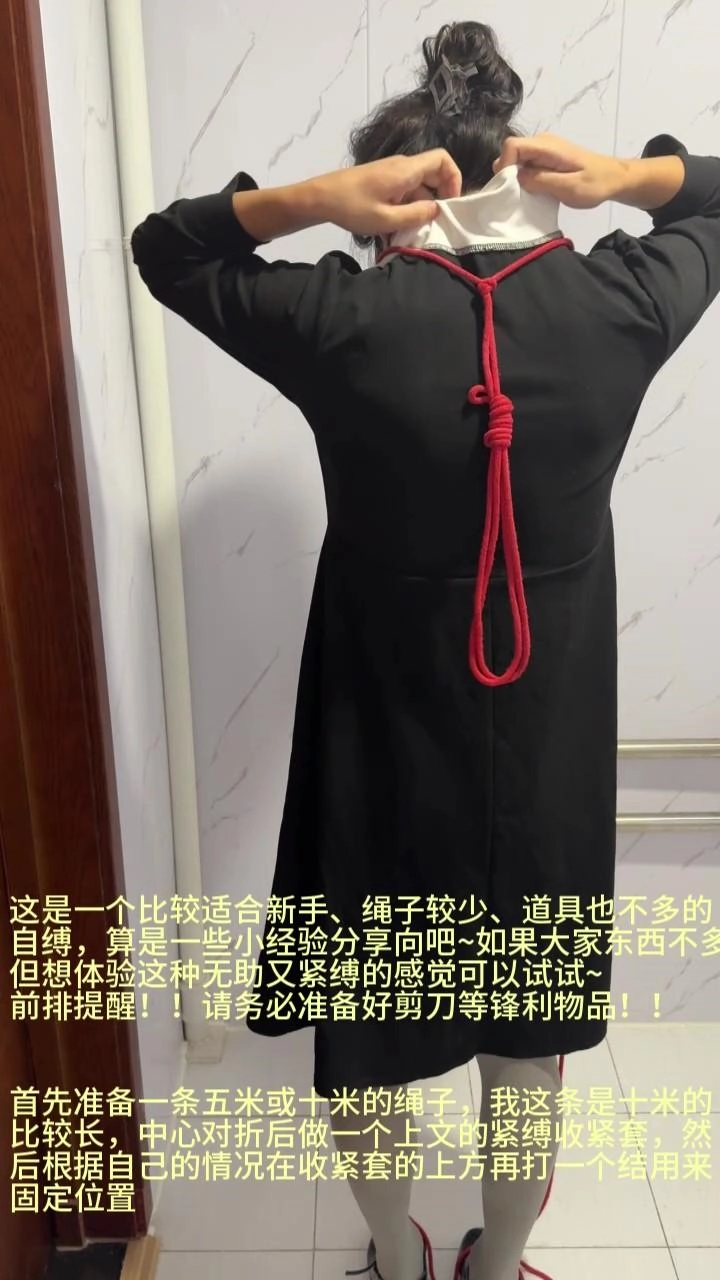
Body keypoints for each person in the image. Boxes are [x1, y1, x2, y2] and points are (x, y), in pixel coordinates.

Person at [131, 19, 720, 1280]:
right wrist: (630, 177)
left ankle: (395, 1265)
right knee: (527, 1047)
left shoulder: (344, 319)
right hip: (546, 768)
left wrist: (310, 199)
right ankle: (495, 1268)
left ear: (395, 195)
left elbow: (166, 248)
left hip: (380, 758)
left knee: (368, 1039)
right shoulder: (622, 303)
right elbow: (716, 200)